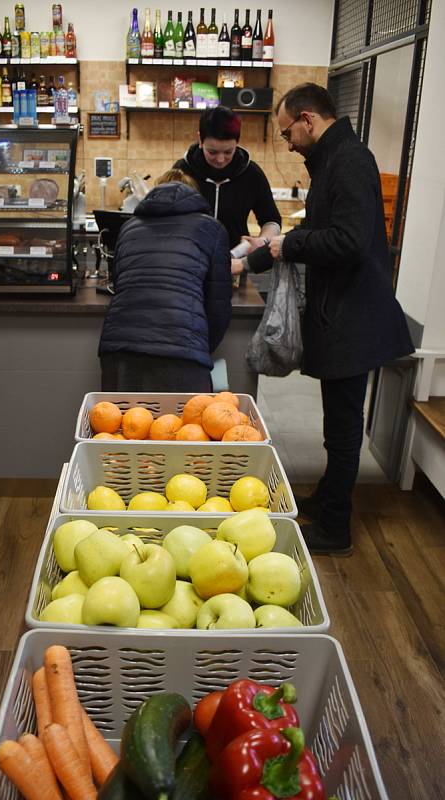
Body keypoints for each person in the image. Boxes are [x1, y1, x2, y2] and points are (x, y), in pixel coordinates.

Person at [237, 82, 414, 556]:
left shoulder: (350, 160)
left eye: (287, 132)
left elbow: (348, 241)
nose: (288, 143)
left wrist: (286, 244)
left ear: (308, 119)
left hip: (354, 318)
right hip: (344, 314)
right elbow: (318, 232)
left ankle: (336, 527)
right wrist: (254, 258)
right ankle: (329, 497)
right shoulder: (334, 159)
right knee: (337, 420)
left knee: (341, 426)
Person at [98, 169, 232, 392]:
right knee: (183, 426)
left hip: (119, 350)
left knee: (120, 424)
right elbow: (218, 307)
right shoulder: (211, 229)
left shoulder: (128, 228)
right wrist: (197, 343)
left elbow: (119, 284)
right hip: (181, 355)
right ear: (195, 196)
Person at [173, 106, 281, 251]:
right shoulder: (182, 170)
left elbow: (271, 220)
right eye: (212, 152)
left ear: (237, 142)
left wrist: (262, 240)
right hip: (188, 261)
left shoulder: (251, 173)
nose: (220, 159)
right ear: (200, 139)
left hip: (234, 262)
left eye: (228, 151)